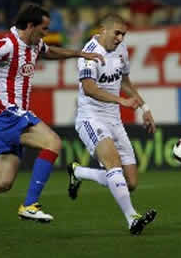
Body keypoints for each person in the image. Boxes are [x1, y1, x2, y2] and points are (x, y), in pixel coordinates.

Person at [0, 2, 104, 223]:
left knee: (2, 183)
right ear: (31, 25)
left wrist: (78, 53)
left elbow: (50, 51)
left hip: (11, 117)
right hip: (6, 113)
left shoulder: (34, 44)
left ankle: (28, 205)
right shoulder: (6, 44)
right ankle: (29, 205)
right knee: (52, 142)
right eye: (44, 29)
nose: (47, 33)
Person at [67, 14, 157, 235]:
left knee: (131, 182)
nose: (120, 38)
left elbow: (124, 81)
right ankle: (132, 218)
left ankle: (78, 173)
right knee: (113, 165)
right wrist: (121, 101)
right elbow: (89, 88)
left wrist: (144, 108)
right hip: (91, 117)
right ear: (102, 30)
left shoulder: (121, 50)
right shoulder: (90, 53)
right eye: (116, 33)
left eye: (123, 34)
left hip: (114, 120)